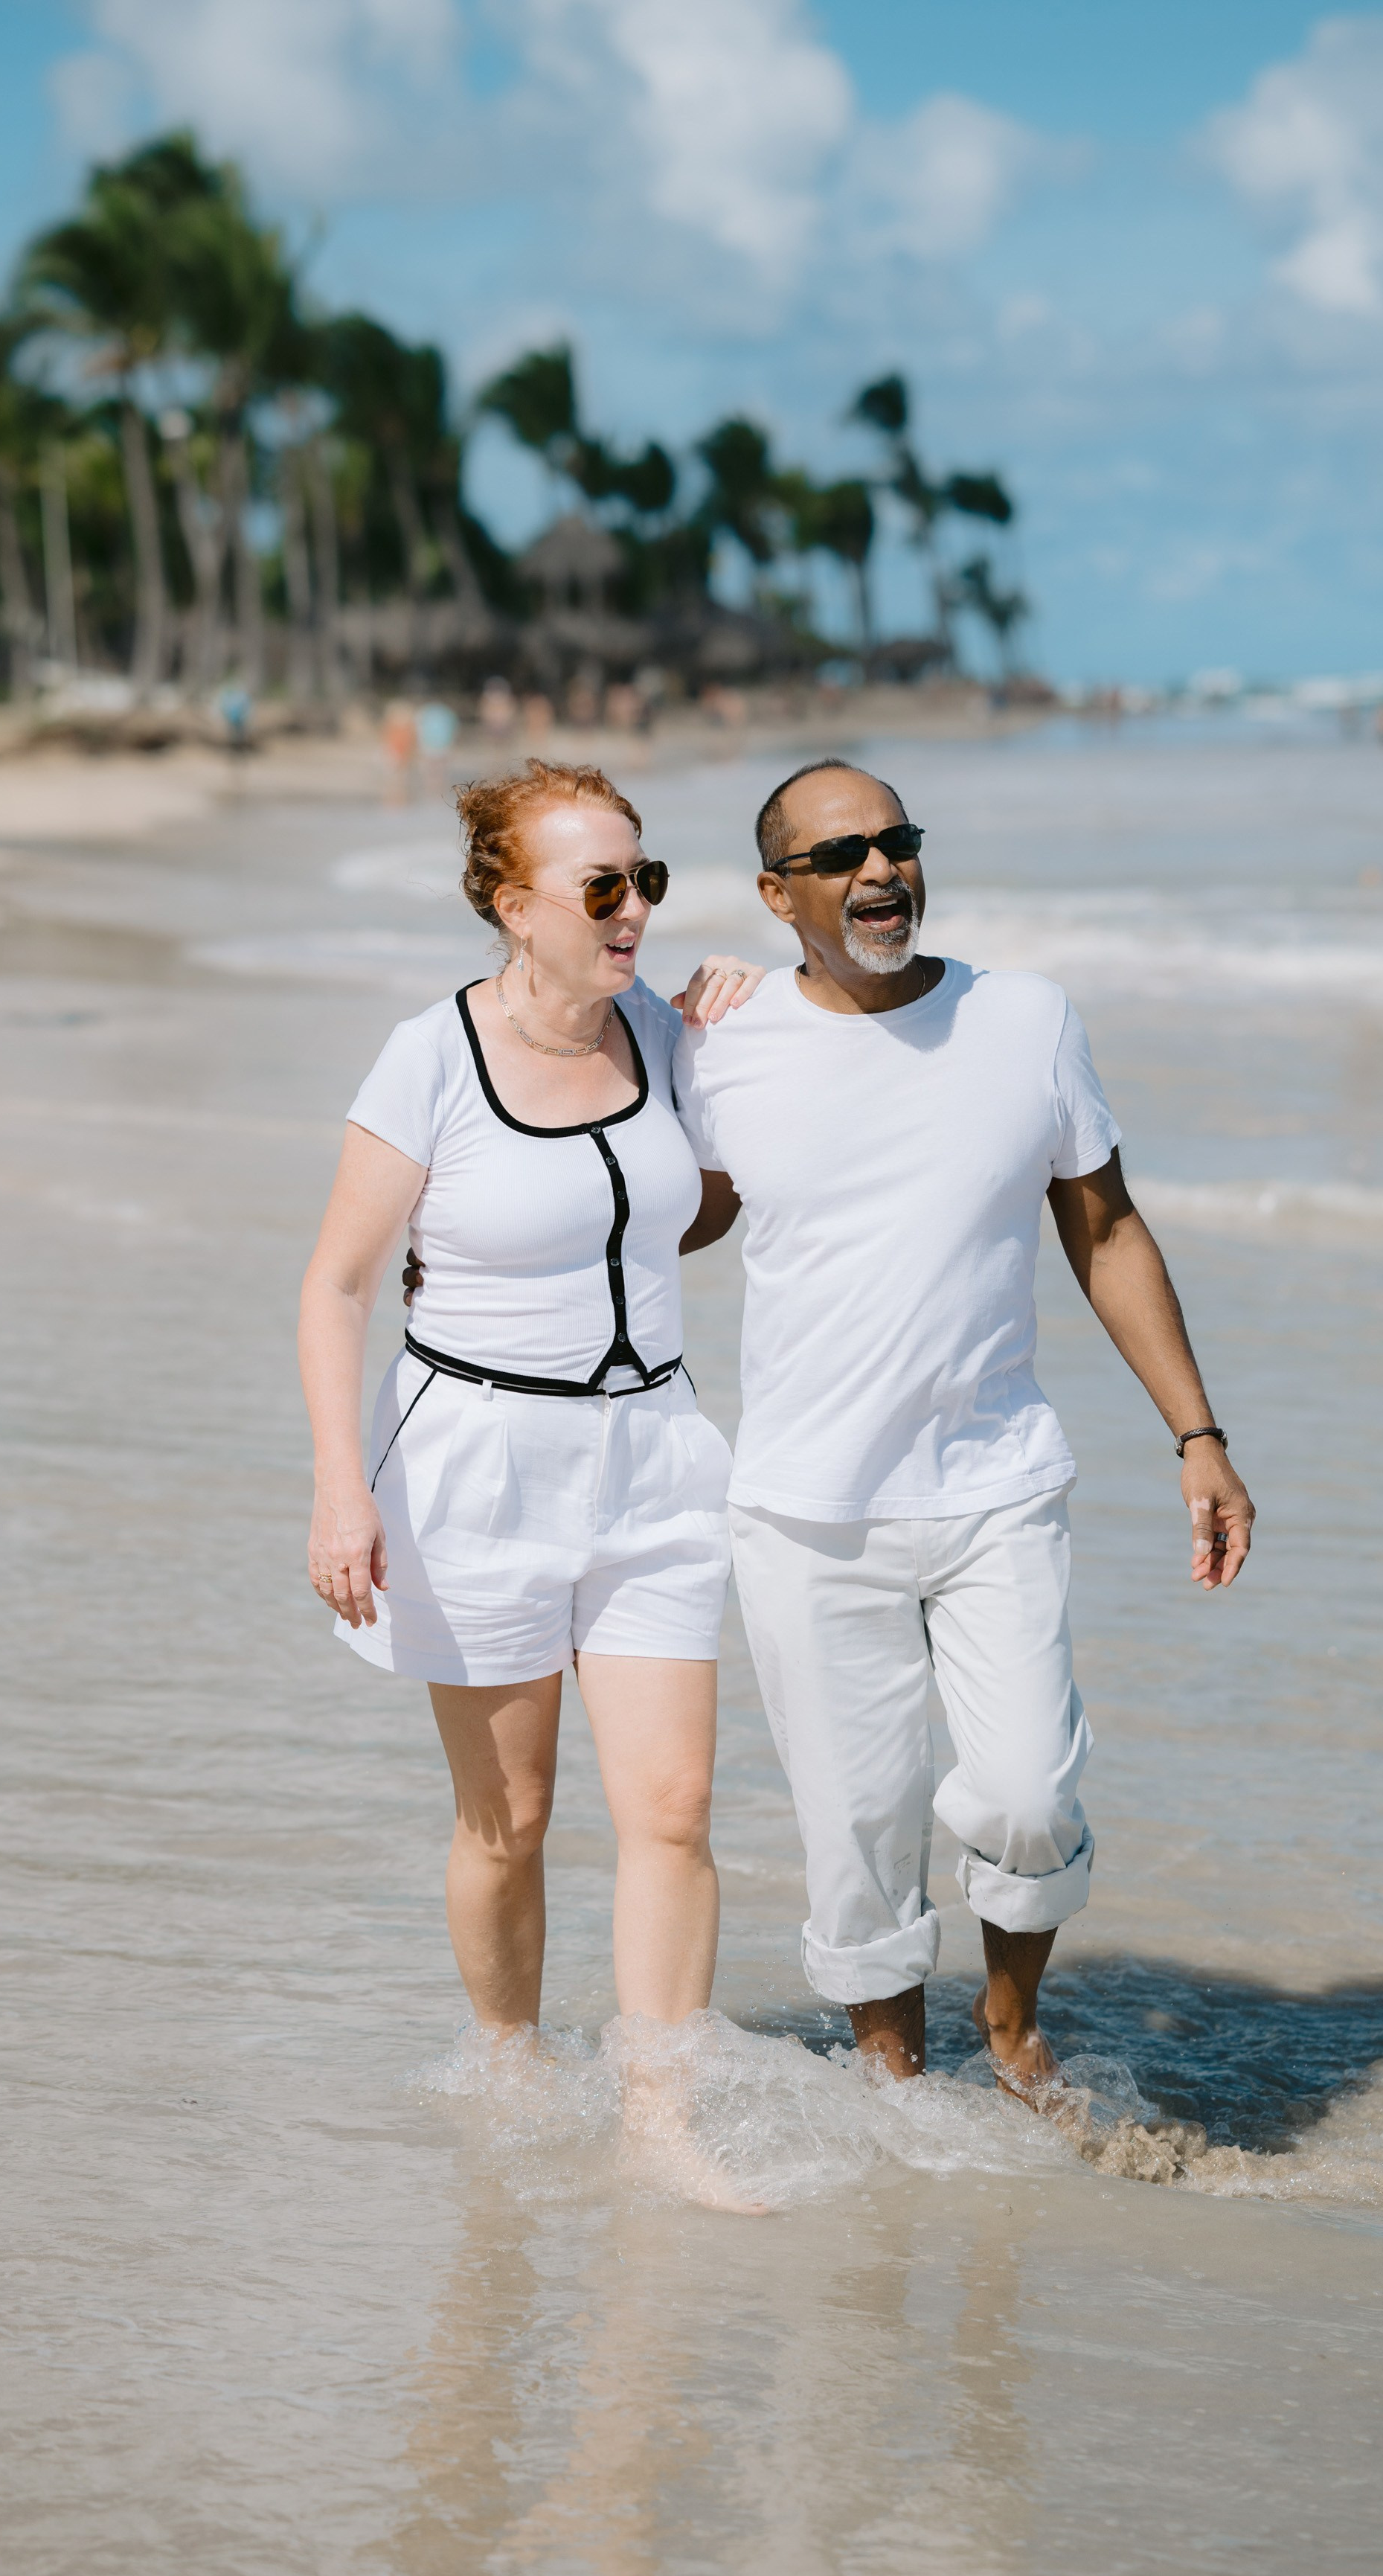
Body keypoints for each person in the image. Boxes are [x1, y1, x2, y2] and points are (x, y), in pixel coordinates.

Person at [674, 759, 1255, 2097]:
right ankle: (895, 2088)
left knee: (1025, 1796)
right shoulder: (725, 1041)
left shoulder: (1026, 1019)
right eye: (838, 857)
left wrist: (1198, 1437)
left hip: (995, 1485)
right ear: (778, 894)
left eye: (897, 841)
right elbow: (673, 1211)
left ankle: (1006, 2021)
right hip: (806, 1510)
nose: (880, 871)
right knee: (859, 1835)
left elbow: (1103, 1229)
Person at [298, 760, 763, 2191]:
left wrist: (749, 1025)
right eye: (601, 888)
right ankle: (507, 2055)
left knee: (672, 1809)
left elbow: (693, 1207)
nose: (635, 912)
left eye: (649, 881)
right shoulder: (427, 1057)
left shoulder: (673, 1041)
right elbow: (337, 1285)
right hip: (474, 1469)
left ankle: (658, 2121)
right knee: (511, 1821)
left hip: (652, 1459)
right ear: (515, 907)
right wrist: (338, 1487)